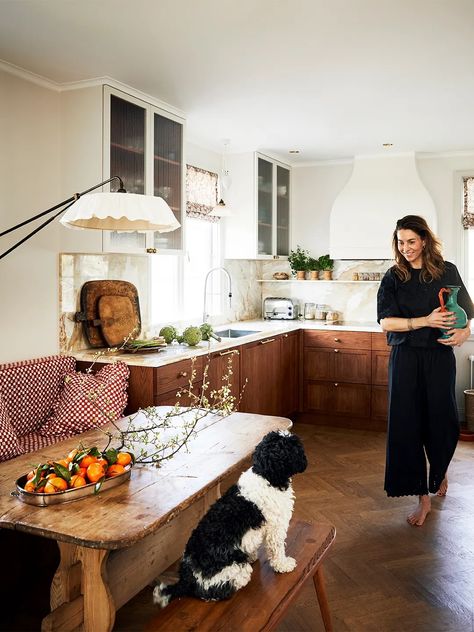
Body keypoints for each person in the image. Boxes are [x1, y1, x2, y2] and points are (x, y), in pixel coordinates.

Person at [377, 215, 474, 526]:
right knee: (407, 424)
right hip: (405, 357)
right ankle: (422, 497)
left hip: (439, 357)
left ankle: (439, 471)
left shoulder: (447, 271)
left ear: (424, 240)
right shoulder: (393, 277)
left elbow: (466, 314)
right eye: (401, 242)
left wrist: (463, 333)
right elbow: (385, 322)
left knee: (442, 420)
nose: (406, 248)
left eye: (411, 241)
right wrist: (424, 321)